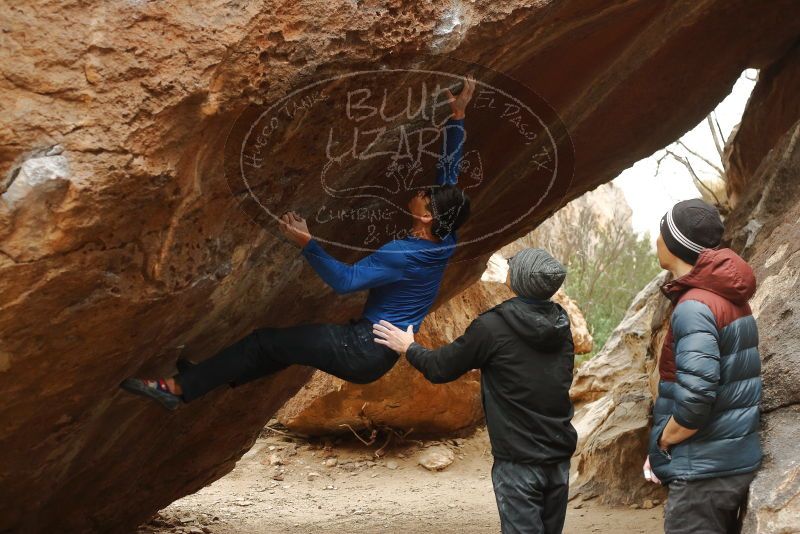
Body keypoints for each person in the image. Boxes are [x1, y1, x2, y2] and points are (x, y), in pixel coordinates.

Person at [120, 76, 476, 410]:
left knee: (264, 342)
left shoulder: (402, 255)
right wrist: (457, 118)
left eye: (425, 196)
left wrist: (307, 243)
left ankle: (178, 389)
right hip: (372, 352)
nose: (420, 191)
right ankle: (208, 374)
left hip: (360, 348)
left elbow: (345, 282)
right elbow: (448, 179)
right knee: (278, 348)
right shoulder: (446, 237)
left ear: (427, 216)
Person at [373, 248, 578, 534]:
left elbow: (441, 367)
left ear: (517, 279)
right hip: (558, 456)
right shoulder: (561, 325)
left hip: (518, 462)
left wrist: (409, 347)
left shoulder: (493, 327)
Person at [643, 199, 762, 534]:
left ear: (674, 244)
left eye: (661, 231)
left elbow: (697, 398)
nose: (656, 239)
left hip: (704, 472)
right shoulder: (726, 298)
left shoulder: (694, 307)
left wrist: (664, 440)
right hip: (727, 460)